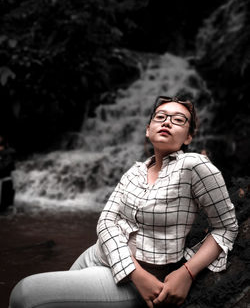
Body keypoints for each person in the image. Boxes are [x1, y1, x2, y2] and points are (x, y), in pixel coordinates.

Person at [9, 96, 238, 308]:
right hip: (98, 254)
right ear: (148, 130)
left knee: (25, 293)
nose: (167, 122)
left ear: (188, 136)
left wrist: (187, 272)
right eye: (160, 117)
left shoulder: (195, 166)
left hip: (139, 280)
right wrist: (133, 270)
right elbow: (106, 220)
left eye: (178, 120)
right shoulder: (135, 171)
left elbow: (226, 227)